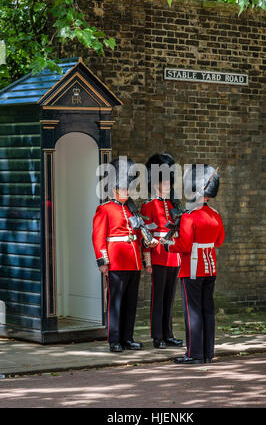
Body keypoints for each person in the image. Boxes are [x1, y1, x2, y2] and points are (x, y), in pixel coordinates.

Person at [92, 157, 157, 353]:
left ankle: (128, 338)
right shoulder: (104, 209)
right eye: (123, 189)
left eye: (128, 189)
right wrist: (103, 261)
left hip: (134, 262)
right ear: (114, 190)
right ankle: (114, 340)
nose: (127, 192)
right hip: (117, 262)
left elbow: (138, 234)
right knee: (116, 303)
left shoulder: (131, 210)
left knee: (130, 303)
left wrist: (147, 246)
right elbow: (98, 237)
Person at [163, 164, 225, 364]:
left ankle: (194, 354)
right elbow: (219, 241)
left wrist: (168, 245)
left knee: (193, 311)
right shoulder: (215, 215)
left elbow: (184, 244)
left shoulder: (190, 216)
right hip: (210, 267)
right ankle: (207, 352)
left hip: (192, 268)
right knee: (207, 309)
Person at [141, 153, 183, 349]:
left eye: (168, 182)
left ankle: (169, 333)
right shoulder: (148, 206)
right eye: (162, 182)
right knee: (158, 298)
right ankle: (157, 336)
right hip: (158, 255)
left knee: (169, 298)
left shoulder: (174, 206)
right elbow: (145, 236)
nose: (166, 185)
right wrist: (147, 261)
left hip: (173, 255)